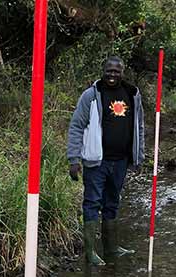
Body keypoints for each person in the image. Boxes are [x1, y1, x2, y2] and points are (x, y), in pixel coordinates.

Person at [67, 56, 145, 266]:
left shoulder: (132, 94)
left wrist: (139, 156)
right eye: (109, 71)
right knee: (92, 202)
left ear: (122, 72)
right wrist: (73, 158)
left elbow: (139, 127)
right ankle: (90, 252)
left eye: (116, 71)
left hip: (121, 161)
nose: (112, 75)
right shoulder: (92, 95)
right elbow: (76, 126)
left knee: (113, 202)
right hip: (96, 160)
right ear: (103, 71)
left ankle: (111, 248)